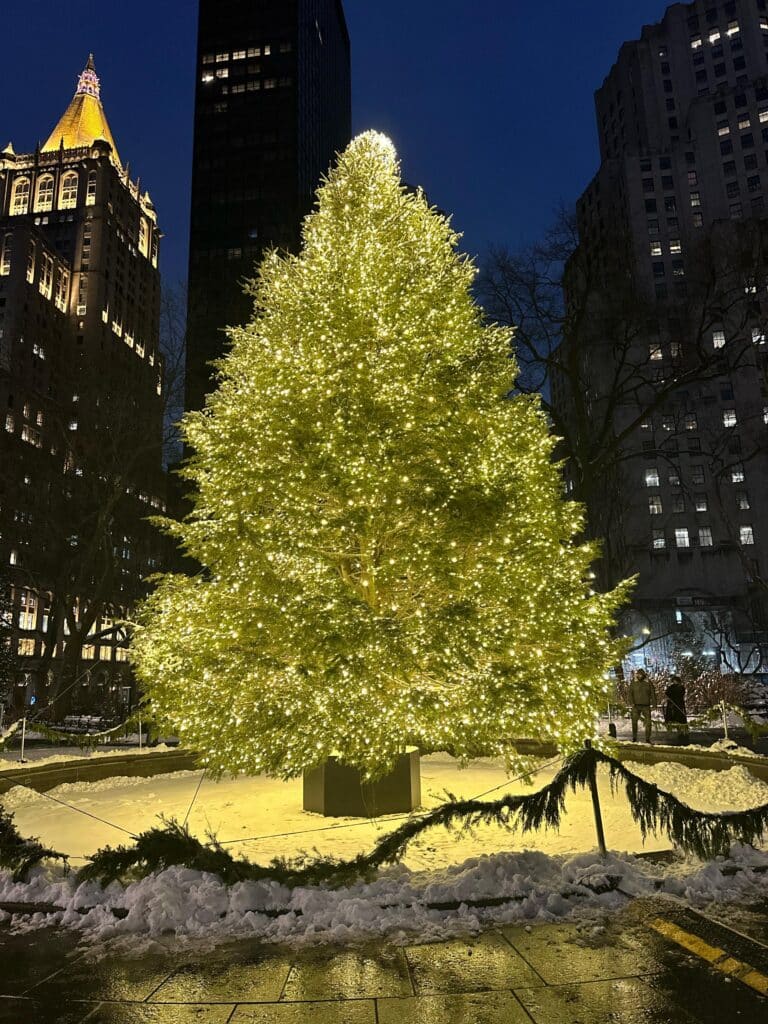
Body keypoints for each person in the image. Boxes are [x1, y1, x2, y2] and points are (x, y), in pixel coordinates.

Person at [628, 669, 655, 743]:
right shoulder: (633, 682)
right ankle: (634, 737)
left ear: (643, 675)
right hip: (636, 706)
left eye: (640, 674)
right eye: (637, 674)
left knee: (648, 723)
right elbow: (630, 693)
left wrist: (654, 704)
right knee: (634, 722)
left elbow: (652, 693)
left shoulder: (648, 682)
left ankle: (647, 738)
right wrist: (632, 702)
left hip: (646, 705)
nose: (638, 676)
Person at [664, 674, 688, 744]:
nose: (675, 682)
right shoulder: (671, 687)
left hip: (679, 705)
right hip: (672, 705)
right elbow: (667, 693)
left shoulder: (681, 687)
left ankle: (682, 732)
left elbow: (680, 694)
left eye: (676, 681)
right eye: (673, 681)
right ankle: (672, 730)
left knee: (680, 718)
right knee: (672, 717)